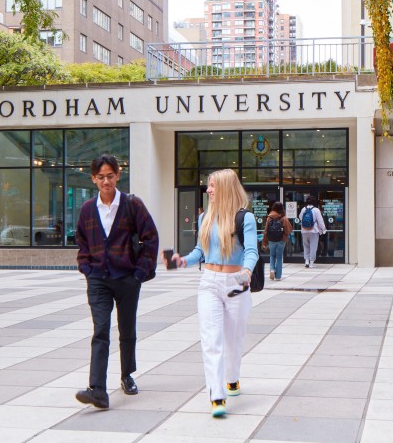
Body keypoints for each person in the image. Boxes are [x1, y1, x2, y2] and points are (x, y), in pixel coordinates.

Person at [170, 168, 258, 418]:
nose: (207, 190)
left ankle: (232, 378)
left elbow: (251, 251)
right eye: (207, 186)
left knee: (234, 338)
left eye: (212, 186)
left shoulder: (245, 218)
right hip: (209, 281)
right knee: (211, 339)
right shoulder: (205, 218)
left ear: (225, 188)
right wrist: (182, 261)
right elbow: (200, 251)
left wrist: (247, 271)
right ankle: (216, 395)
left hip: (237, 282)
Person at [74, 154, 159, 411]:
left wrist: (139, 274)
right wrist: (86, 267)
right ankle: (97, 389)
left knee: (127, 329)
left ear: (118, 175)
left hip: (127, 278)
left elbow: (151, 238)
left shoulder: (132, 204)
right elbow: (81, 241)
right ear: (93, 179)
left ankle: (126, 374)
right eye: (100, 177)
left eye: (110, 176)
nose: (106, 181)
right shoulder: (88, 208)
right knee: (100, 330)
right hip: (98, 278)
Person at [262, 202, 291, 281]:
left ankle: (272, 269)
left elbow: (266, 231)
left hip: (271, 240)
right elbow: (288, 230)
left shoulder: (269, 217)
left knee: (272, 255)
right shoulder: (283, 218)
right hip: (281, 240)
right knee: (279, 257)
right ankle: (278, 276)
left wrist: (264, 242)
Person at [299, 196, 326, 268]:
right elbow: (320, 221)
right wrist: (323, 229)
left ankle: (306, 261)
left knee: (306, 246)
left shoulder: (303, 209)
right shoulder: (316, 210)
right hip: (313, 231)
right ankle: (311, 262)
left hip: (304, 230)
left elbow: (300, 218)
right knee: (313, 246)